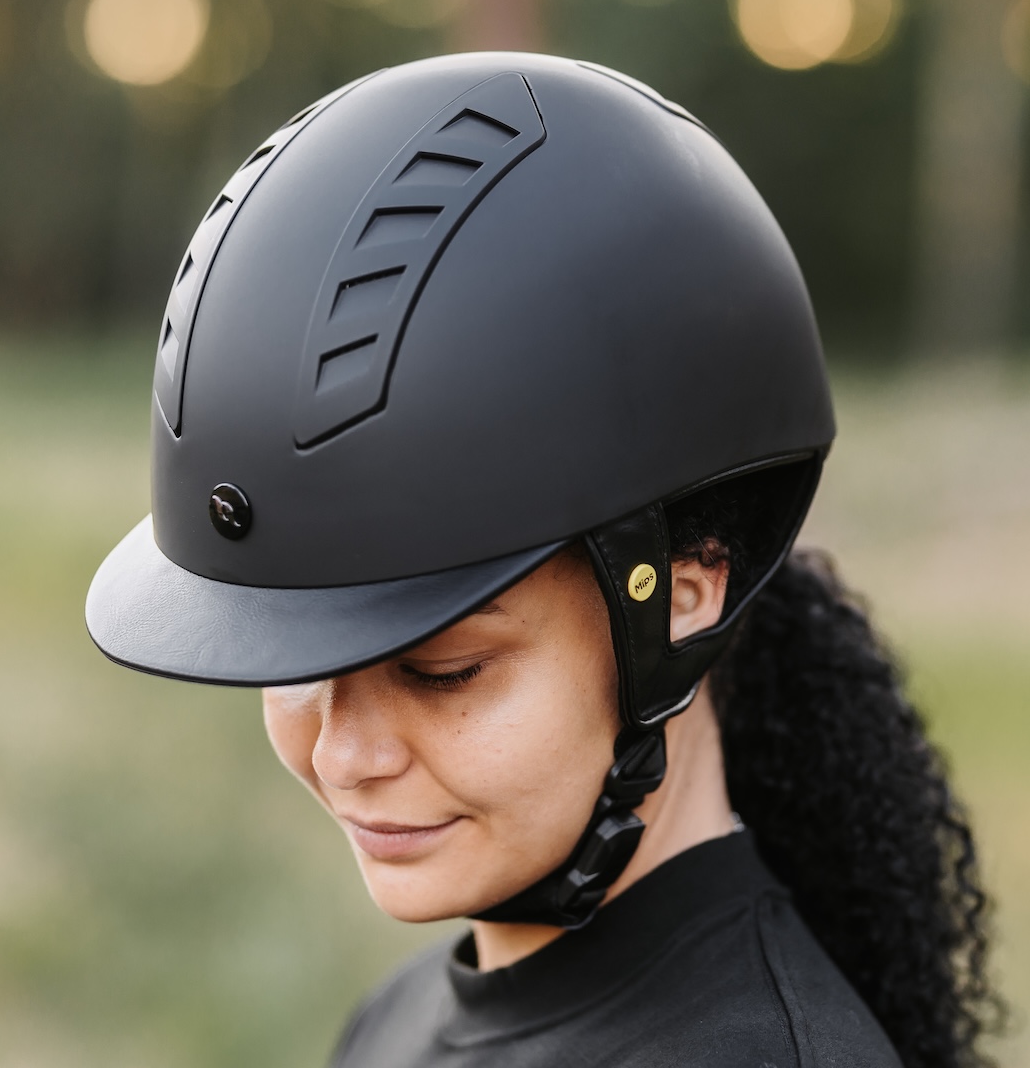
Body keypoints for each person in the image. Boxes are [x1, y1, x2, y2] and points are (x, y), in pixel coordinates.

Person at [86, 52, 998, 1067]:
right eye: (295, 666)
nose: (345, 757)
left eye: (442, 670)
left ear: (679, 599)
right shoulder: (397, 1023)